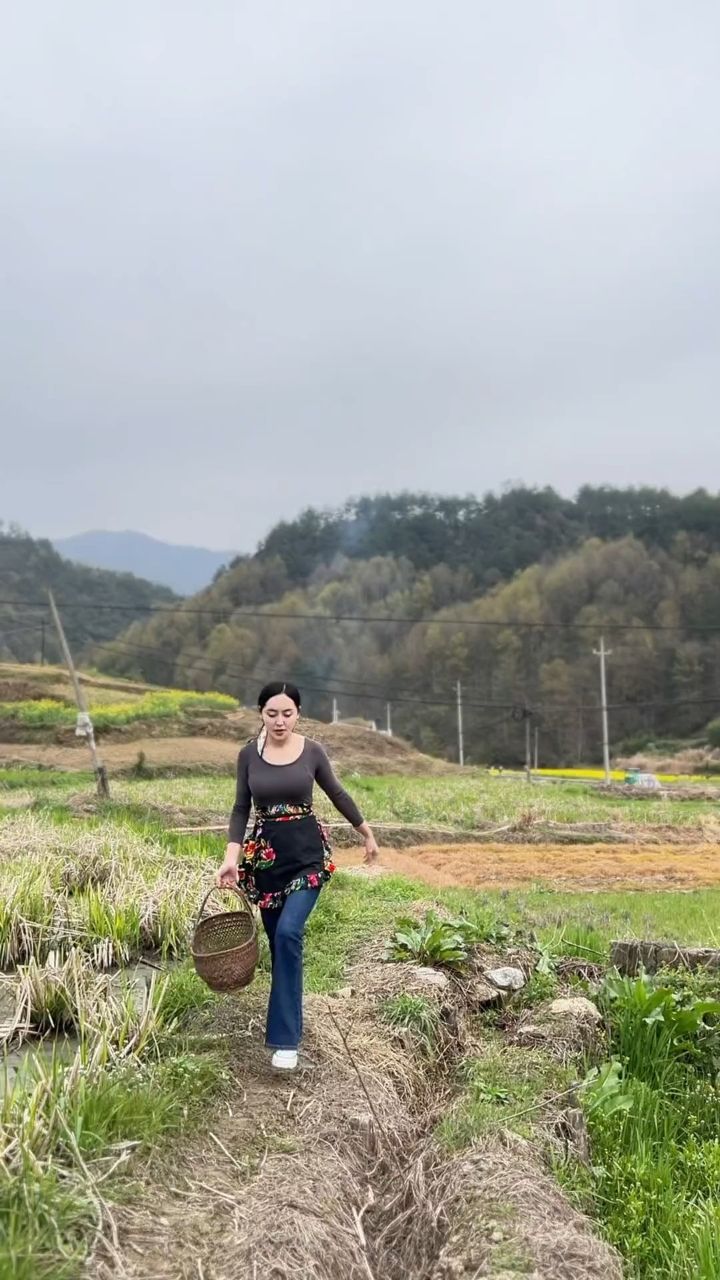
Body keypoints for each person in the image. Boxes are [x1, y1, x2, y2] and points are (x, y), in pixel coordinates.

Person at [216, 681, 379, 1072]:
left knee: (290, 933)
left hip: (308, 856)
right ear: (260, 714)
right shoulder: (248, 756)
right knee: (279, 945)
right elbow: (241, 809)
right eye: (272, 713)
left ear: (298, 714)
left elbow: (337, 793)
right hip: (267, 862)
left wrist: (366, 832)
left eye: (287, 713)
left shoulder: (312, 751)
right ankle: (283, 1026)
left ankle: (286, 1040)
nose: (279, 721)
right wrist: (231, 858)